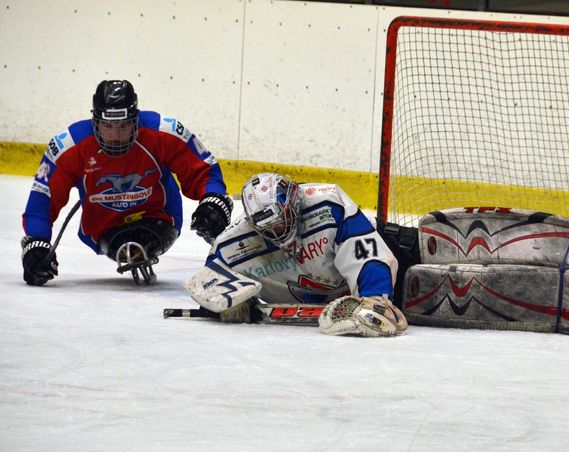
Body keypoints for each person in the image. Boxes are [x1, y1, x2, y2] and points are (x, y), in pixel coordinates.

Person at [21, 80, 233, 285]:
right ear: (95, 121)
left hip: (160, 219)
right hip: (105, 229)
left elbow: (204, 169)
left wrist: (213, 198)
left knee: (214, 215)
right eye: (107, 125)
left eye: (123, 126)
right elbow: (43, 197)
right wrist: (36, 242)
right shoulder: (68, 147)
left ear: (136, 120)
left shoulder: (163, 131)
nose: (115, 135)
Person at [185, 172, 408, 337]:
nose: (277, 230)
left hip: (389, 251)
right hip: (339, 293)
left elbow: (365, 250)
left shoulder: (328, 205)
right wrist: (226, 302)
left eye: (281, 220)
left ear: (294, 200)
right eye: (268, 227)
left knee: (427, 247)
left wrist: (376, 296)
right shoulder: (233, 244)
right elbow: (209, 278)